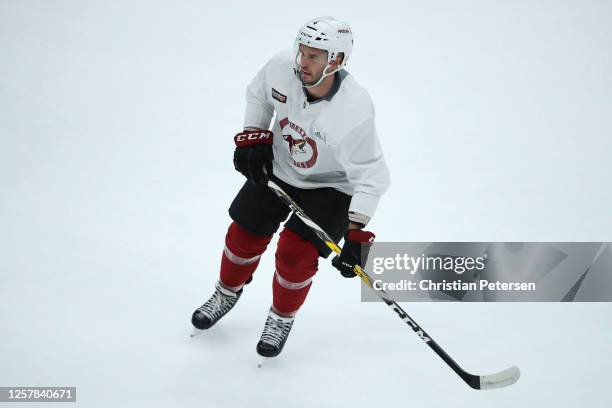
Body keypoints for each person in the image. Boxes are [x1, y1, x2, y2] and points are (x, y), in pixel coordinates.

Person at [191, 16, 390, 359]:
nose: (303, 62)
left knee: (295, 255)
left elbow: (371, 175)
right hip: (281, 169)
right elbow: (259, 96)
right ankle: (226, 292)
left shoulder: (353, 110)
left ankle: (281, 318)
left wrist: (356, 235)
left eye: (315, 56)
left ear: (337, 60)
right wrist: (253, 137)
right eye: (302, 52)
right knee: (243, 233)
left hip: (331, 187)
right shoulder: (280, 67)